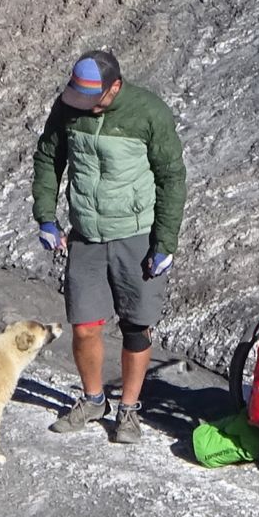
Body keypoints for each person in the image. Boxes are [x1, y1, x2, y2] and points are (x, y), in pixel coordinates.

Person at [30, 49, 187, 445]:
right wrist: (46, 216)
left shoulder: (149, 113)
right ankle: (93, 399)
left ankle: (128, 409)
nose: (85, 107)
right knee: (84, 327)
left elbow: (171, 178)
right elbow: (49, 158)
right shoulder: (69, 107)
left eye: (93, 99)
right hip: (87, 234)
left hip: (136, 235)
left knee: (136, 327)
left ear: (115, 87)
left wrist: (165, 242)